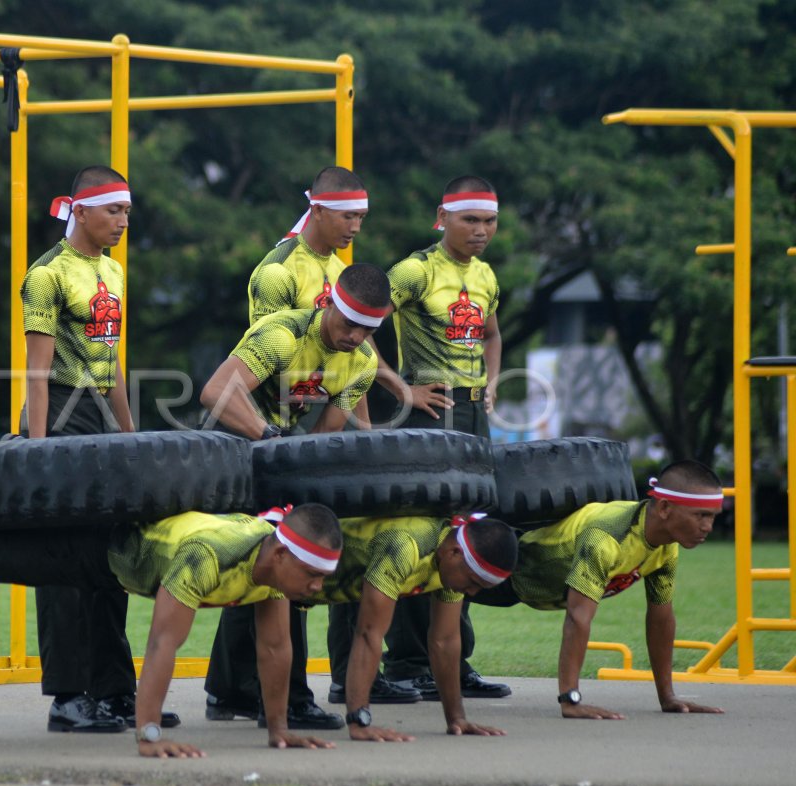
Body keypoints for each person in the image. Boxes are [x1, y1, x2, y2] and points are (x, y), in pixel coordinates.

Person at [0, 466, 343, 758]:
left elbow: (276, 649)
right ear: (281, 554)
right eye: (313, 576)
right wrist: (148, 734)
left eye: (322, 579)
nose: (317, 588)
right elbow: (162, 644)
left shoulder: (274, 575)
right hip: (87, 545)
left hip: (116, 564)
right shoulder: (211, 557)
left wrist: (279, 730)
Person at [328, 176, 508, 704]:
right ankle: (407, 663)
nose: (481, 231)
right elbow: (360, 321)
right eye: (470, 220)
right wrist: (402, 386)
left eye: (489, 221)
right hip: (431, 417)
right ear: (442, 217)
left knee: (466, 536)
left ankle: (453, 660)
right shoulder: (414, 270)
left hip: (474, 419)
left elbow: (492, 333)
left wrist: (492, 382)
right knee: (418, 535)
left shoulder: (487, 274)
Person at [199, 262, 389, 728]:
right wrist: (271, 438)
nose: (354, 337)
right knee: (291, 569)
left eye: (367, 330)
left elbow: (325, 437)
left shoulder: (361, 362)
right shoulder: (283, 334)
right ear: (328, 305)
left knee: (260, 570)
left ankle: (228, 693)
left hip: (276, 452)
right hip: (231, 444)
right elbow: (217, 391)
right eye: (348, 325)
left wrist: (302, 473)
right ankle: (290, 699)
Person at [20, 166, 142, 733]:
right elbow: (36, 373)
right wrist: (37, 450)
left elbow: (112, 362)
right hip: (60, 414)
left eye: (126, 211)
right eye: (113, 211)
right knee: (65, 559)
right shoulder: (47, 274)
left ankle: (115, 691)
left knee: (110, 556)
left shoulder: (114, 271)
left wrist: (130, 433)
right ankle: (68, 697)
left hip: (98, 414)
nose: (122, 221)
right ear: (82, 211)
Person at [472, 460, 726, 719]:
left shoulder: (666, 547)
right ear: (663, 508)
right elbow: (578, 617)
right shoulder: (605, 538)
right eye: (700, 515)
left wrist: (668, 697)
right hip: (506, 570)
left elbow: (661, 619)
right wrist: (570, 700)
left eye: (712, 517)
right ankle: (431, 674)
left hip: (534, 590)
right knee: (438, 592)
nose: (708, 527)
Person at [307, 513, 519, 742]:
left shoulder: (450, 562)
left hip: (306, 590)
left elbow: (444, 641)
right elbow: (369, 633)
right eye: (473, 581)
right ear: (455, 552)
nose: (472, 592)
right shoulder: (405, 547)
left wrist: (457, 719)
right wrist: (360, 721)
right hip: (285, 577)